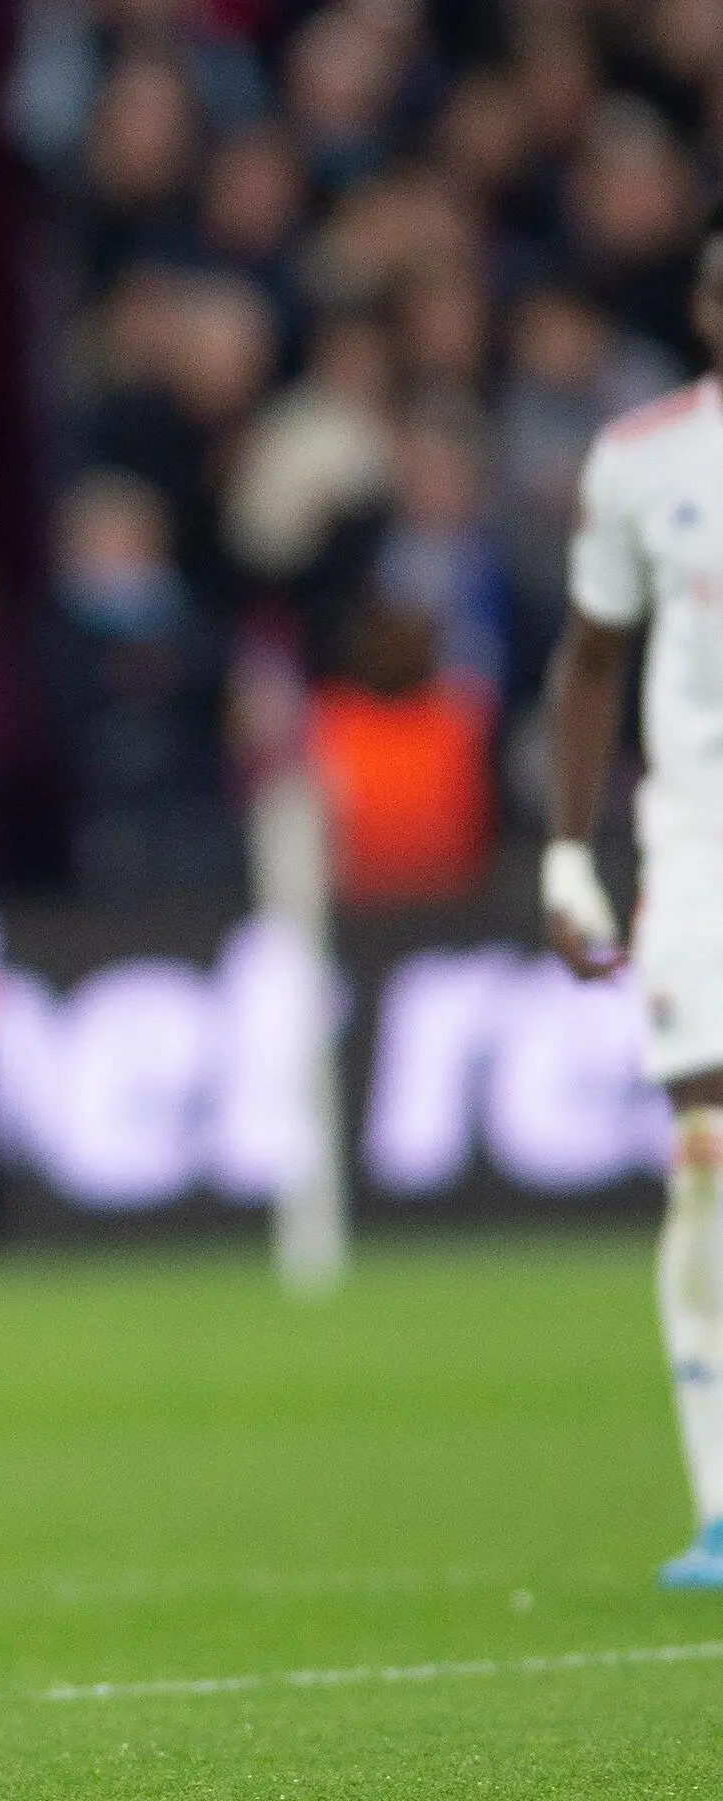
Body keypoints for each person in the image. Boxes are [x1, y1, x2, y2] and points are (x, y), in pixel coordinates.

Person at [543, 204, 723, 1589]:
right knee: (707, 1153)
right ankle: (720, 1503)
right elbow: (593, 657)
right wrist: (567, 854)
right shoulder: (643, 459)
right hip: (697, 847)